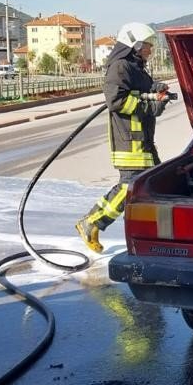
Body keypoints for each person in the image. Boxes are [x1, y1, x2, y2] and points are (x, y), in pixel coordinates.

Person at [75, 22, 171, 253]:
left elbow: (142, 89)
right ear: (134, 45)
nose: (150, 50)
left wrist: (157, 88)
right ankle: (92, 222)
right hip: (130, 140)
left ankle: (154, 236)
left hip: (143, 140)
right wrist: (151, 107)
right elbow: (116, 101)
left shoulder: (135, 68)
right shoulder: (120, 67)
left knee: (151, 185)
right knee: (129, 186)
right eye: (147, 46)